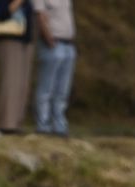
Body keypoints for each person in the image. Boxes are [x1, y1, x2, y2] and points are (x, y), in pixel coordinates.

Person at [31, 0, 75, 137]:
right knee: (46, 88)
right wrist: (48, 38)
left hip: (68, 44)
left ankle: (59, 124)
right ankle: (43, 124)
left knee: (62, 89)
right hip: (53, 43)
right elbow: (40, 16)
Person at [0, 0, 35, 136]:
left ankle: (16, 122)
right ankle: (6, 124)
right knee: (11, 81)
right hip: (9, 37)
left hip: (24, 39)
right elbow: (1, 13)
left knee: (22, 83)